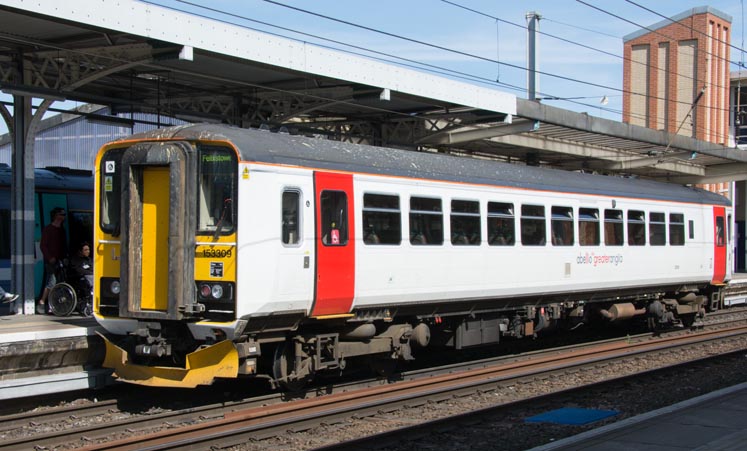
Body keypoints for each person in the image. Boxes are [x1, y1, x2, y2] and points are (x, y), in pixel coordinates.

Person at [38, 207, 67, 313]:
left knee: (59, 282)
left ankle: (52, 304)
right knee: (52, 282)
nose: (63, 217)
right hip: (51, 261)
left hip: (60, 260)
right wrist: (50, 257)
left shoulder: (62, 230)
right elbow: (43, 245)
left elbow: (64, 245)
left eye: (64, 215)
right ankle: (42, 302)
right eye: (61, 214)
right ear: (56, 216)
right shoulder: (48, 229)